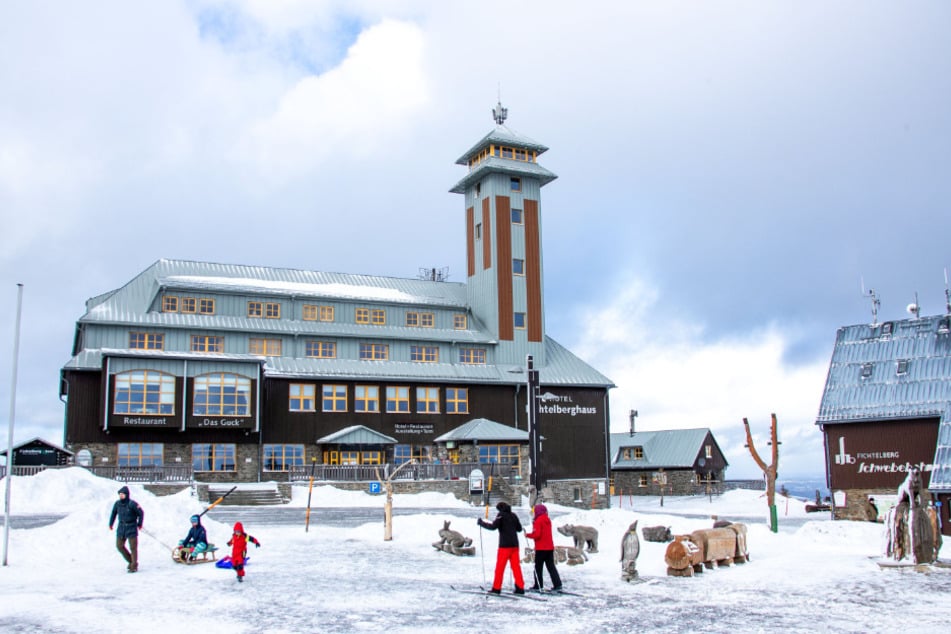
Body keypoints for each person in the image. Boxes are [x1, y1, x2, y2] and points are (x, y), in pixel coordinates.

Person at [477, 501, 525, 595]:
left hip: (504, 546)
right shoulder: (513, 515)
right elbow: (519, 529)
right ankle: (520, 587)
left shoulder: (501, 515)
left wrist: (482, 523)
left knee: (500, 568)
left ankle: (496, 588)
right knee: (516, 567)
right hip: (515, 545)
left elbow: (493, 527)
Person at [525, 503, 562, 592]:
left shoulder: (538, 521)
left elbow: (537, 534)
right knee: (551, 567)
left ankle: (538, 585)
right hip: (549, 548)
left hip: (541, 548)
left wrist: (527, 535)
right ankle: (557, 584)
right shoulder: (547, 520)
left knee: (538, 568)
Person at [108, 485, 144, 573]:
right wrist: (111, 523)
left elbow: (141, 513)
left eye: (123, 494)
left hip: (131, 527)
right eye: (120, 494)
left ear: (127, 495)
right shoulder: (117, 504)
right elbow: (113, 513)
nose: (121, 496)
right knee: (119, 546)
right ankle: (131, 561)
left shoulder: (132, 504)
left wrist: (139, 523)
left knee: (133, 547)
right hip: (121, 527)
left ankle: (133, 566)